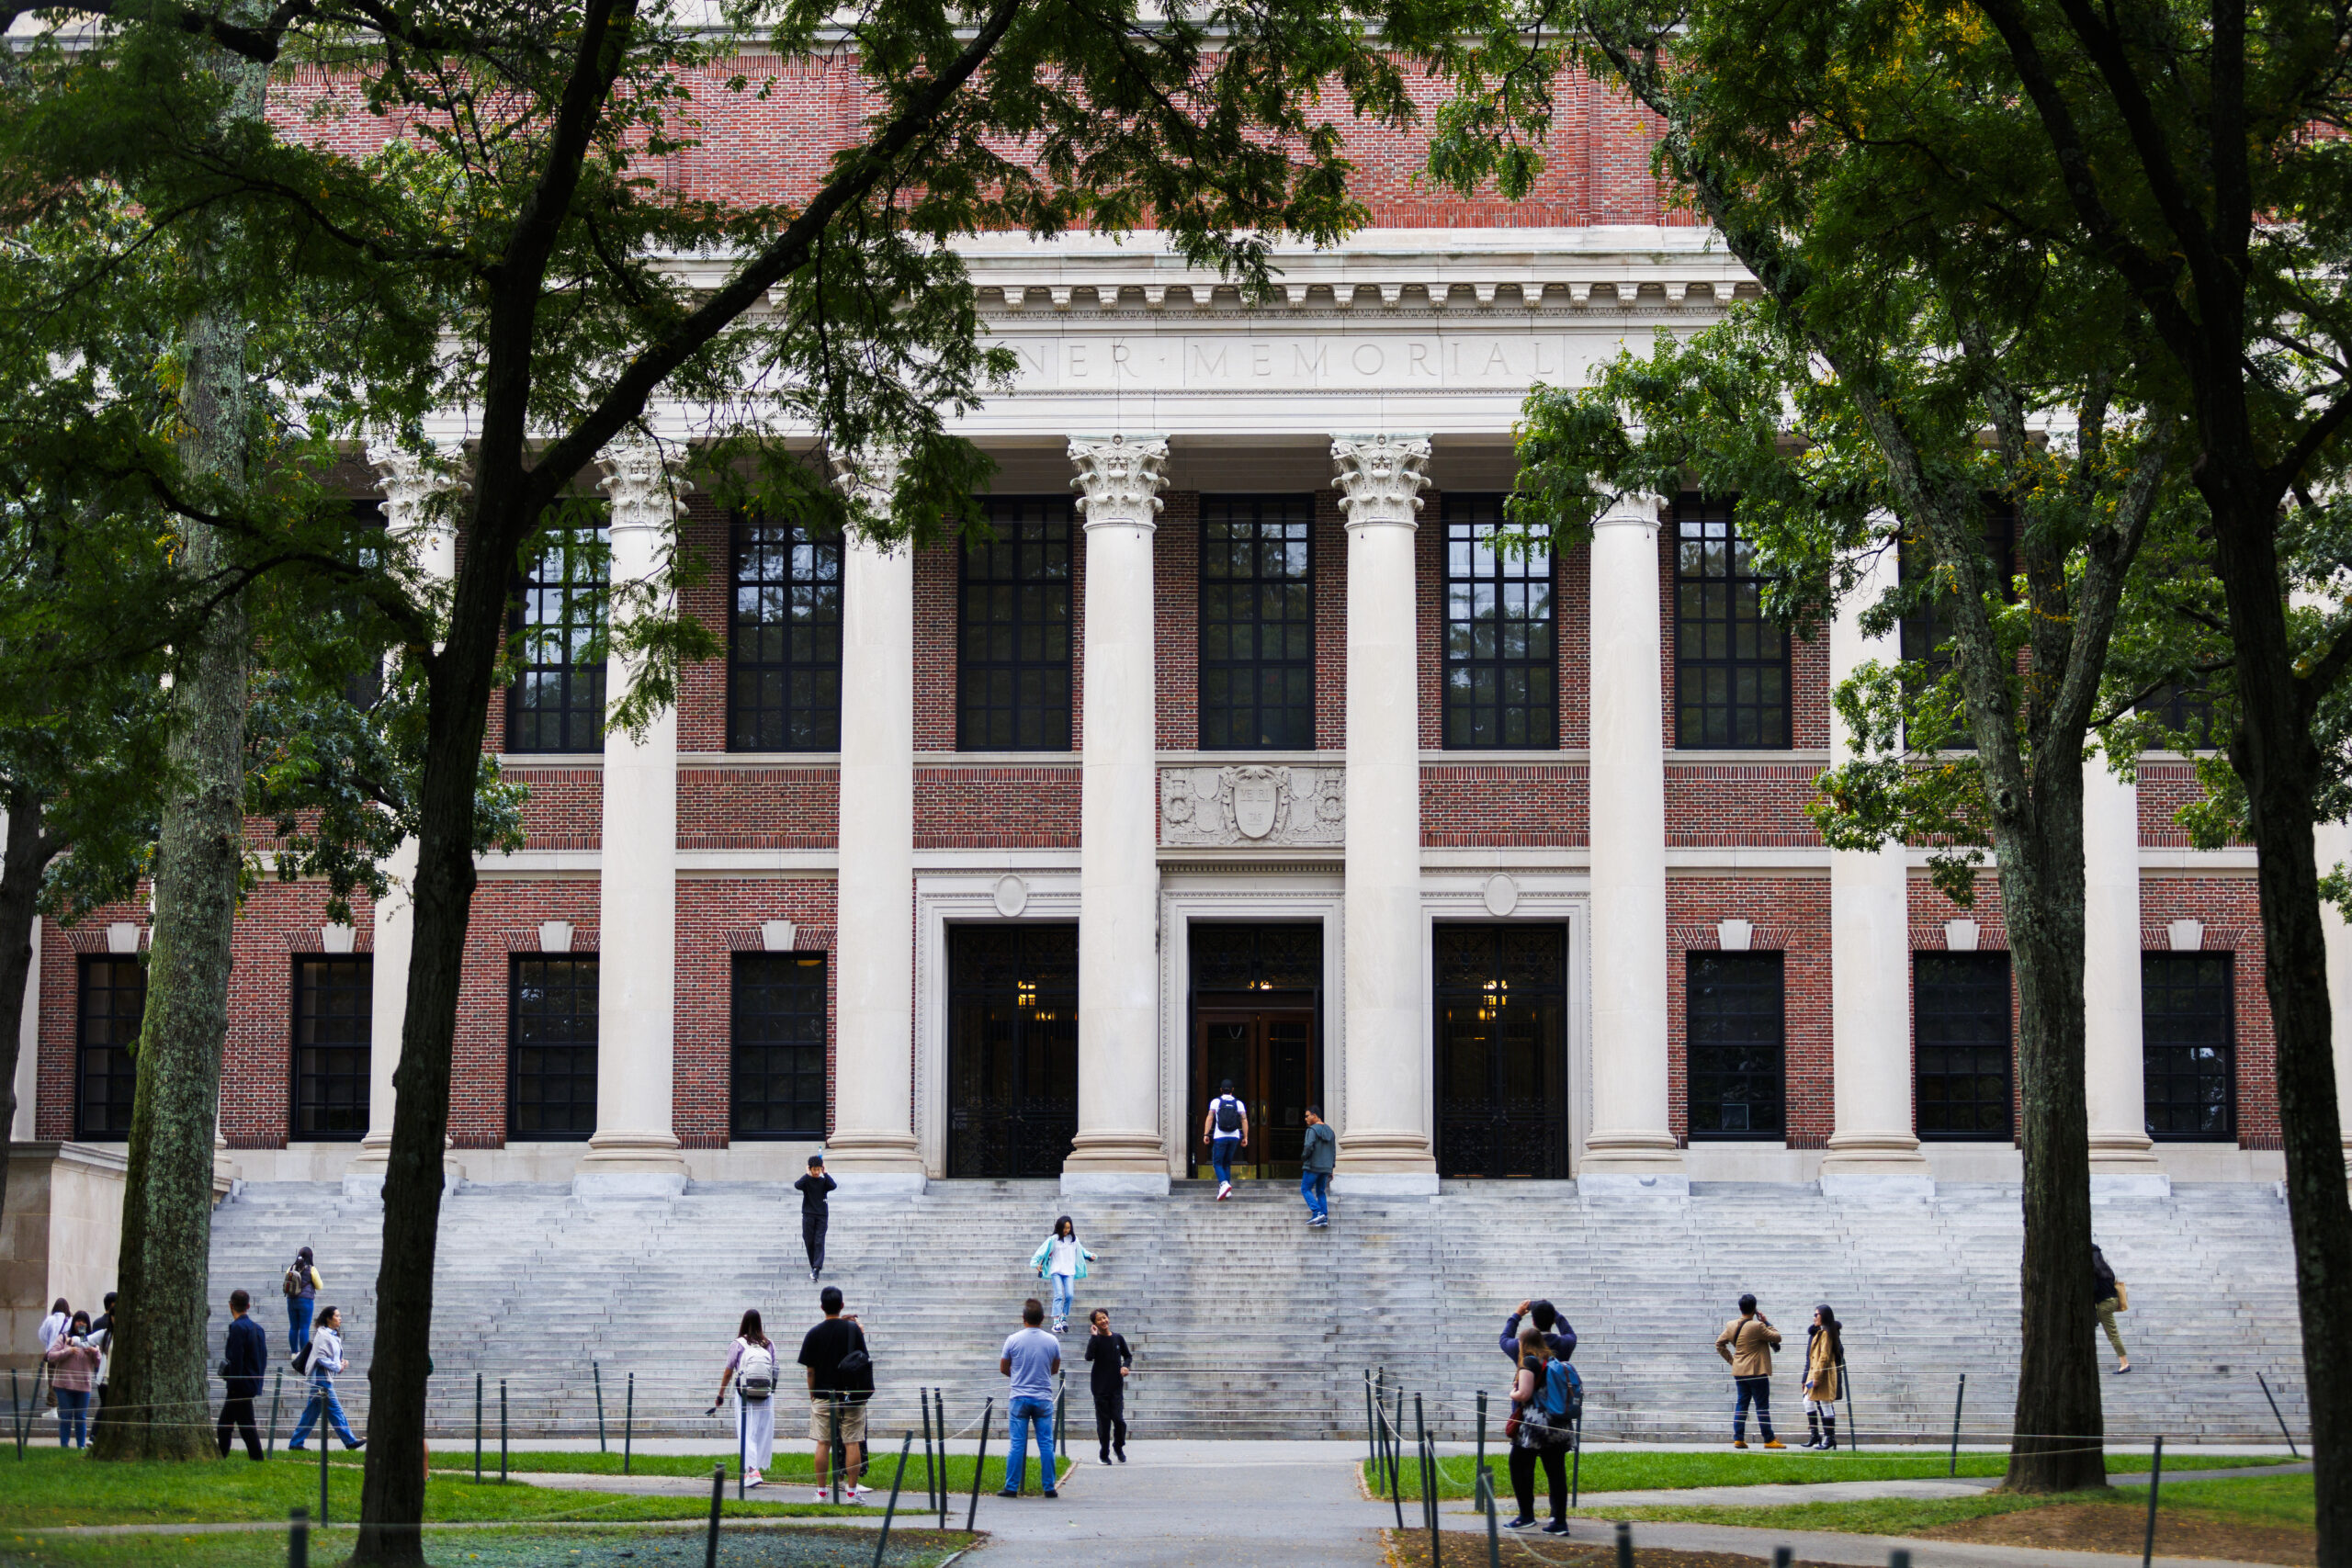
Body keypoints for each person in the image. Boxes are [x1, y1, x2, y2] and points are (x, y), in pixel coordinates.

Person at [796, 1286, 871, 1503]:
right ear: (842, 1306)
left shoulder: (813, 1333)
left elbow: (810, 1370)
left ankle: (820, 1492)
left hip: (822, 1394)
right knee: (852, 1442)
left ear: (821, 1307)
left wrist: (813, 1394)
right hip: (851, 1395)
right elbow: (863, 1360)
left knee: (823, 1443)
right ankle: (852, 1491)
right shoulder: (853, 1330)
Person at [1503, 1326, 1573, 1534]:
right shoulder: (1551, 1360)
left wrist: (1512, 1393)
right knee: (1556, 1473)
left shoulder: (1529, 1362)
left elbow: (1524, 1394)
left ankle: (1526, 1516)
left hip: (1536, 1426)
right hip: (1558, 1424)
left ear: (1523, 1344)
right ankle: (1559, 1522)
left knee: (1518, 1465)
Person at [997, 1298, 1061, 1498]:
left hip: (1019, 1397)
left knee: (1017, 1444)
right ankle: (1049, 1486)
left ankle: (1011, 1486)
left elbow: (1003, 1368)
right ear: (1042, 1318)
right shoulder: (1052, 1340)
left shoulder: (1013, 1339)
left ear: (1023, 1318)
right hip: (1043, 1397)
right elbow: (1055, 1368)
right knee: (1046, 1443)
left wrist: (1018, 1376)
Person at [715, 1309, 780, 1488]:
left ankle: (751, 1471)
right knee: (760, 1432)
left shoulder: (738, 1344)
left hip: (744, 1394)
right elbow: (775, 1370)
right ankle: (755, 1468)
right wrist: (770, 1391)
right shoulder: (769, 1344)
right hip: (765, 1395)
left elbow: (729, 1370)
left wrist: (720, 1393)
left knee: (746, 1431)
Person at [288, 1304, 365, 1451]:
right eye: (337, 1316)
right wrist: (338, 1366)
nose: (340, 1318)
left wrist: (341, 1362)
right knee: (335, 1410)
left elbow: (331, 1356)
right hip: (322, 1379)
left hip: (322, 1378)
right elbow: (321, 1357)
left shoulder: (330, 1334)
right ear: (329, 1319)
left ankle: (296, 1443)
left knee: (310, 1413)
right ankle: (350, 1441)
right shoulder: (323, 1335)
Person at [1715, 1293, 1782, 1449]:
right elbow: (1777, 1337)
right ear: (1754, 1308)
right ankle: (1768, 1439)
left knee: (1742, 1403)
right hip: (1757, 1371)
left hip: (1739, 1372)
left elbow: (1719, 1344)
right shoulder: (1757, 1326)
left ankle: (1738, 1438)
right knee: (1762, 1405)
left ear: (1740, 1308)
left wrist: (1733, 1361)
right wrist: (1766, 1321)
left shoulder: (1731, 1325)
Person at [218, 1288, 269, 1461]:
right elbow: (263, 1357)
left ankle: (227, 1456)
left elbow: (236, 1358)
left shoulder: (238, 1328)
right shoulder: (258, 1329)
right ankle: (252, 1458)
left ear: (230, 1305)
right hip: (251, 1383)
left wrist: (232, 1383)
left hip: (238, 1386)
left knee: (232, 1426)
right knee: (239, 1425)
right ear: (248, 1305)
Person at [1082, 1307, 1132, 1465]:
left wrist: (1125, 1366)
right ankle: (1104, 1454)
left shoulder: (1118, 1338)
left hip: (1116, 1386)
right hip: (1100, 1387)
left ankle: (1118, 1446)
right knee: (1103, 1424)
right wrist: (1094, 1337)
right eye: (1099, 1319)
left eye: (1105, 1318)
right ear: (1095, 1323)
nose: (1103, 1321)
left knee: (1119, 1421)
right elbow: (1088, 1357)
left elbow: (1128, 1356)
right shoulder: (1096, 1340)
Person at [1030, 1216, 1094, 1335]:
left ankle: (1063, 1317)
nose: (1066, 1230)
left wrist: (1090, 1255)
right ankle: (1056, 1321)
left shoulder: (1074, 1239)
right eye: (1064, 1228)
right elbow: (1041, 1251)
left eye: (1069, 1228)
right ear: (1059, 1227)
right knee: (1059, 1294)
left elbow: (1081, 1251)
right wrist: (1035, 1263)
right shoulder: (1053, 1239)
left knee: (1069, 1295)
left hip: (1069, 1272)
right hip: (1056, 1271)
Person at [44, 1312, 99, 1450]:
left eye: (84, 1322)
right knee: (66, 1416)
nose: (81, 1324)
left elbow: (99, 1362)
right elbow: (51, 1356)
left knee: (81, 1417)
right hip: (64, 1385)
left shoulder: (92, 1340)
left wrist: (93, 1351)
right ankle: (64, 1445)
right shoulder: (64, 1338)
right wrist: (67, 1351)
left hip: (83, 1385)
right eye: (78, 1321)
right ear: (74, 1322)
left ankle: (81, 1445)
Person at [1800, 1303, 1842, 1450]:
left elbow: (1824, 1357)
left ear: (1824, 1316)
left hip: (1821, 1377)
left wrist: (1816, 1378)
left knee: (1825, 1404)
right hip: (1813, 1376)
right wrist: (1807, 1379)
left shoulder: (1827, 1333)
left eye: (1816, 1314)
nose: (1814, 1317)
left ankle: (1829, 1438)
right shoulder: (1821, 1332)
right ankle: (1816, 1435)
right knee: (1807, 1400)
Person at [1202, 1079, 1249, 1201]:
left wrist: (1206, 1134)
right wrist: (1245, 1137)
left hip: (1220, 1136)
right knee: (1227, 1163)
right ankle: (1227, 1191)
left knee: (1217, 1163)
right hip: (1234, 1136)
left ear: (1221, 1090)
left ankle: (1224, 1184)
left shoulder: (1216, 1102)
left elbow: (1210, 1118)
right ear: (1232, 1090)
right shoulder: (1239, 1103)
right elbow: (1244, 1120)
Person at [795, 1156, 836, 1281]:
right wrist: (807, 1174)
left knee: (819, 1240)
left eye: (819, 1169)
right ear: (810, 1169)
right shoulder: (807, 1181)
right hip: (808, 1214)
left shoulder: (823, 1182)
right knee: (808, 1240)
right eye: (814, 1170)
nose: (817, 1172)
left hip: (822, 1215)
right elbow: (797, 1185)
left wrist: (826, 1173)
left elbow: (833, 1185)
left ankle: (816, 1267)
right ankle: (814, 1265)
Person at [1498, 1300, 1577, 1363]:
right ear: (1553, 1320)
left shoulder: (1520, 1345)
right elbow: (1570, 1333)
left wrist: (1517, 1315)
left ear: (1533, 1321)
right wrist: (1550, 1310)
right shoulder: (1565, 1343)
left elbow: (1504, 1339)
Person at [2093, 1243, 2130, 1373]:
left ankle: (2124, 1363)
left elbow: (2094, 1289)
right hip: (2112, 1301)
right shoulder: (2106, 1269)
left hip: (2103, 1304)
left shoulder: (2093, 1271)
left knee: (2112, 1334)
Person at [1299, 1107, 1335, 1227]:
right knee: (1320, 1191)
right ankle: (1324, 1218)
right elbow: (1333, 1151)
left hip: (1313, 1166)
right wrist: (1331, 1168)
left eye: (1307, 1116)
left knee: (1305, 1189)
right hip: (1326, 1167)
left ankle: (1317, 1212)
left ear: (1315, 1115)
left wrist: (1304, 1157)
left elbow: (1308, 1146)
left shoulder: (1312, 1130)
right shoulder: (1330, 1131)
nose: (1305, 1119)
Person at [284, 1246, 322, 1355]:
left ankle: (294, 1353)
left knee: (294, 1327)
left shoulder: (291, 1268)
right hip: (306, 1301)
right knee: (304, 1327)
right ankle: (304, 1354)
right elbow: (319, 1286)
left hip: (291, 1299)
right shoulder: (311, 1269)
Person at [89, 1292, 118, 1410]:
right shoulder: (106, 1330)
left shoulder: (97, 1323)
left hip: (99, 1370)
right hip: (104, 1373)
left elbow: (85, 1338)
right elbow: (87, 1340)